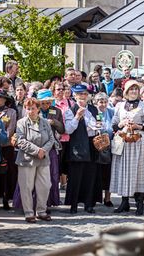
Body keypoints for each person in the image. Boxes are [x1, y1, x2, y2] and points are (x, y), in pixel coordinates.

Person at [111, 80, 144, 215]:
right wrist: (121, 123)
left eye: (136, 89)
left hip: (138, 142)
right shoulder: (120, 105)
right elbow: (113, 125)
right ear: (126, 91)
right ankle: (124, 202)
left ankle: (139, 203)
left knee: (139, 172)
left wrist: (138, 126)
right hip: (124, 142)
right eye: (131, 89)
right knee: (124, 171)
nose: (134, 91)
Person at [15, 98, 56, 222]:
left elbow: (51, 139)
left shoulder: (45, 122)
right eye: (28, 108)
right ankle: (28, 212)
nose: (30, 111)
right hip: (27, 159)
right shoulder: (21, 123)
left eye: (33, 108)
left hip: (43, 158)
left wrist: (43, 150)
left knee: (45, 186)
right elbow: (21, 141)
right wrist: (37, 150)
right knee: (26, 186)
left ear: (38, 109)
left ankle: (41, 211)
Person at [64, 84, 99, 214]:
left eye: (84, 94)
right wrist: (77, 116)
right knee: (75, 176)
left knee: (90, 176)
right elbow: (68, 130)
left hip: (91, 144)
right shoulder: (70, 110)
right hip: (77, 145)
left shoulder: (93, 109)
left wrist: (98, 127)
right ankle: (73, 205)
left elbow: (99, 123)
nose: (82, 97)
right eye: (79, 94)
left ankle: (88, 204)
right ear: (75, 96)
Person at [36, 89, 64, 208]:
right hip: (37, 147)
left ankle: (51, 200)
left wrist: (54, 122)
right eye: (43, 103)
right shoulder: (34, 110)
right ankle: (37, 202)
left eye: (48, 102)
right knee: (37, 177)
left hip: (51, 146)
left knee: (52, 175)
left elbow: (62, 130)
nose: (46, 105)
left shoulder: (56, 111)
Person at [0, 89, 17, 211]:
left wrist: (2, 138)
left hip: (6, 147)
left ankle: (6, 199)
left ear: (5, 99)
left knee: (6, 173)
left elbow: (10, 130)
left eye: (0, 97)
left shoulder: (11, 112)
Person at [93, 92, 115, 206]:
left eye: (105, 102)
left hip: (110, 147)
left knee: (109, 174)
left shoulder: (111, 112)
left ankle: (107, 198)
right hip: (97, 147)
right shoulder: (94, 113)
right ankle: (97, 197)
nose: (103, 104)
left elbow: (115, 126)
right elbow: (96, 128)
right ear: (96, 103)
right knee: (97, 173)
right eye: (101, 102)